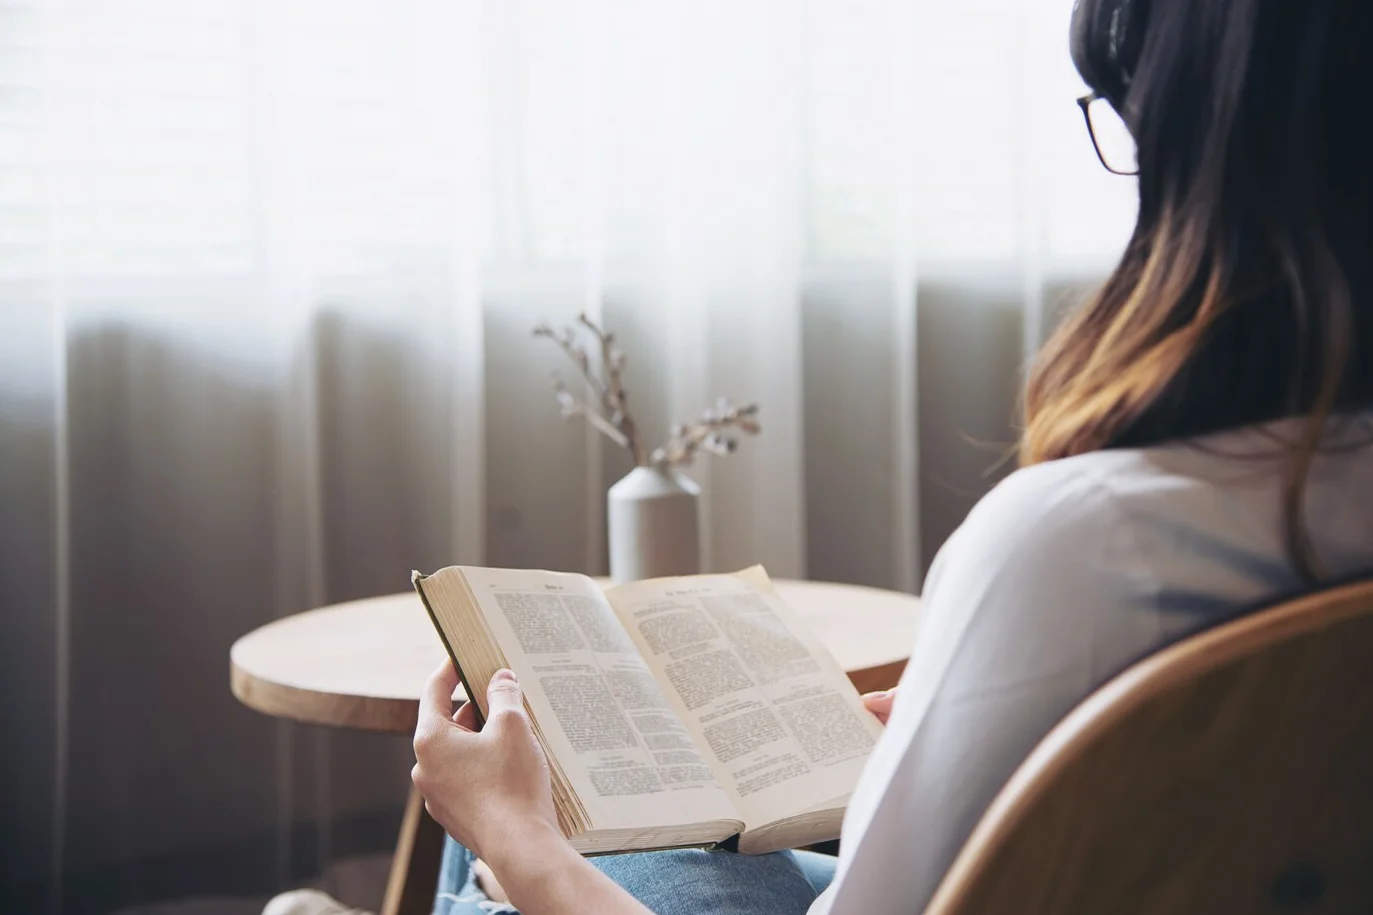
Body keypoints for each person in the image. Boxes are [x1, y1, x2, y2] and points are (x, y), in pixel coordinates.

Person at [410, 1, 1373, 913]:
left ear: (1194, 154)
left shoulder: (1092, 540)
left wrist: (514, 837)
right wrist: (1025, 732)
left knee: (520, 808)